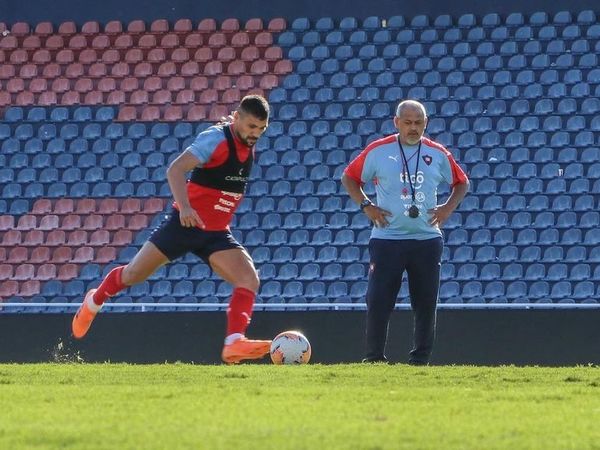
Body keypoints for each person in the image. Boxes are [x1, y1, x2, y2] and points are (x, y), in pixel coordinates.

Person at [72, 95, 273, 364]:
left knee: (249, 279)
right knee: (134, 274)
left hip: (215, 232)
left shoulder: (243, 140)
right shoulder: (216, 138)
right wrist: (186, 207)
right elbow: (175, 170)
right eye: (251, 127)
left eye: (261, 129)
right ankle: (93, 301)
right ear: (236, 117)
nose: (255, 134)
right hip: (184, 225)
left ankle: (234, 342)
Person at [341, 99, 469, 365]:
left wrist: (446, 209)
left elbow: (461, 183)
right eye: (408, 123)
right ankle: (374, 357)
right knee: (378, 300)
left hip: (427, 238)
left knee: (425, 302)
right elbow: (349, 178)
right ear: (396, 122)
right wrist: (367, 205)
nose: (413, 128)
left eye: (418, 123)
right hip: (387, 238)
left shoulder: (437, 152)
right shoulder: (378, 150)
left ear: (426, 123)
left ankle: (420, 359)